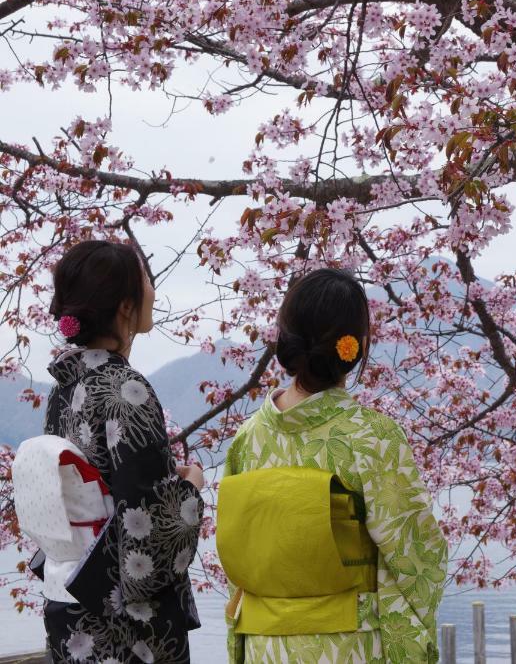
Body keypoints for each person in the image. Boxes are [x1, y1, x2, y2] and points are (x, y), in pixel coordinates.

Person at [217, 268, 447, 664]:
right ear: (354, 345)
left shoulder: (247, 439)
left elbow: (245, 559)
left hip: (263, 647)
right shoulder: (370, 436)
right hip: (347, 647)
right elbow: (414, 556)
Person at [36, 240, 204, 663]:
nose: (153, 289)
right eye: (146, 279)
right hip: (126, 629)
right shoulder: (124, 392)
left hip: (71, 607)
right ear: (125, 306)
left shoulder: (64, 389)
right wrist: (190, 490)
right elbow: (147, 534)